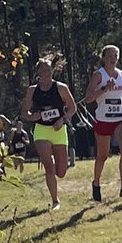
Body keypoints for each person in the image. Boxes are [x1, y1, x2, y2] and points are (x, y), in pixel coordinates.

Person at [20, 59, 77, 211]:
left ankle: (53, 158)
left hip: (58, 130)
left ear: (53, 71)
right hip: (41, 130)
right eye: (42, 71)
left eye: (48, 70)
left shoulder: (61, 88)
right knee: (48, 168)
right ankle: (55, 200)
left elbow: (73, 108)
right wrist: (33, 116)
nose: (45, 74)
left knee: (61, 171)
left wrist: (63, 119)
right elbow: (24, 113)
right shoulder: (32, 90)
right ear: (38, 73)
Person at [83, 45, 122, 202]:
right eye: (110, 55)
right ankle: (96, 183)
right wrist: (105, 89)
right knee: (102, 156)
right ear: (104, 58)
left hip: (119, 117)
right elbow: (88, 98)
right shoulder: (98, 75)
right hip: (103, 119)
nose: (113, 58)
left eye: (116, 55)